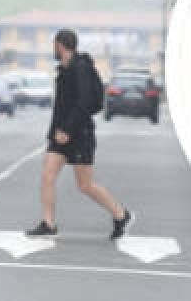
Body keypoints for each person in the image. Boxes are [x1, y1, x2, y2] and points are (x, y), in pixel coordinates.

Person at [26, 28, 133, 240]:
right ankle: (48, 223)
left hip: (80, 134)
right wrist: (55, 131)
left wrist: (68, 129)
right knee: (47, 176)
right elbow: (62, 105)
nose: (53, 49)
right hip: (59, 135)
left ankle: (121, 215)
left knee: (85, 185)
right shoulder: (63, 69)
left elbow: (85, 103)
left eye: (54, 45)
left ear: (60, 45)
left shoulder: (81, 68)